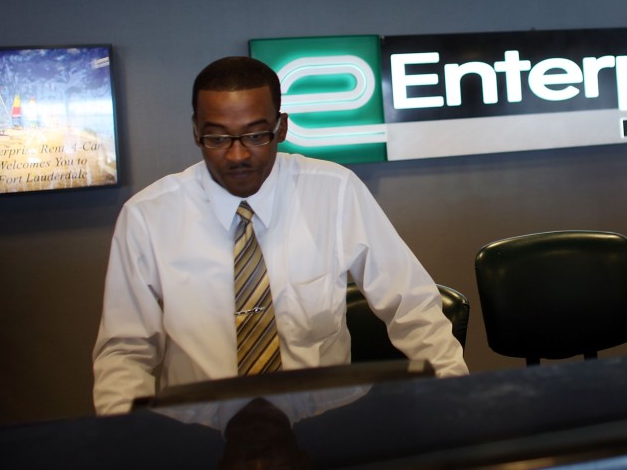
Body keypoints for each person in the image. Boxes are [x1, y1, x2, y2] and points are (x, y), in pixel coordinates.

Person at [93, 57, 468, 415]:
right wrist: (129, 440)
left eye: (256, 135)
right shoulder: (148, 216)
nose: (237, 155)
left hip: (323, 423)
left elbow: (413, 306)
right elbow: (126, 352)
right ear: (195, 130)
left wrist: (456, 398)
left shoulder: (334, 191)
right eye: (218, 138)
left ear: (282, 127)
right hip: (204, 433)